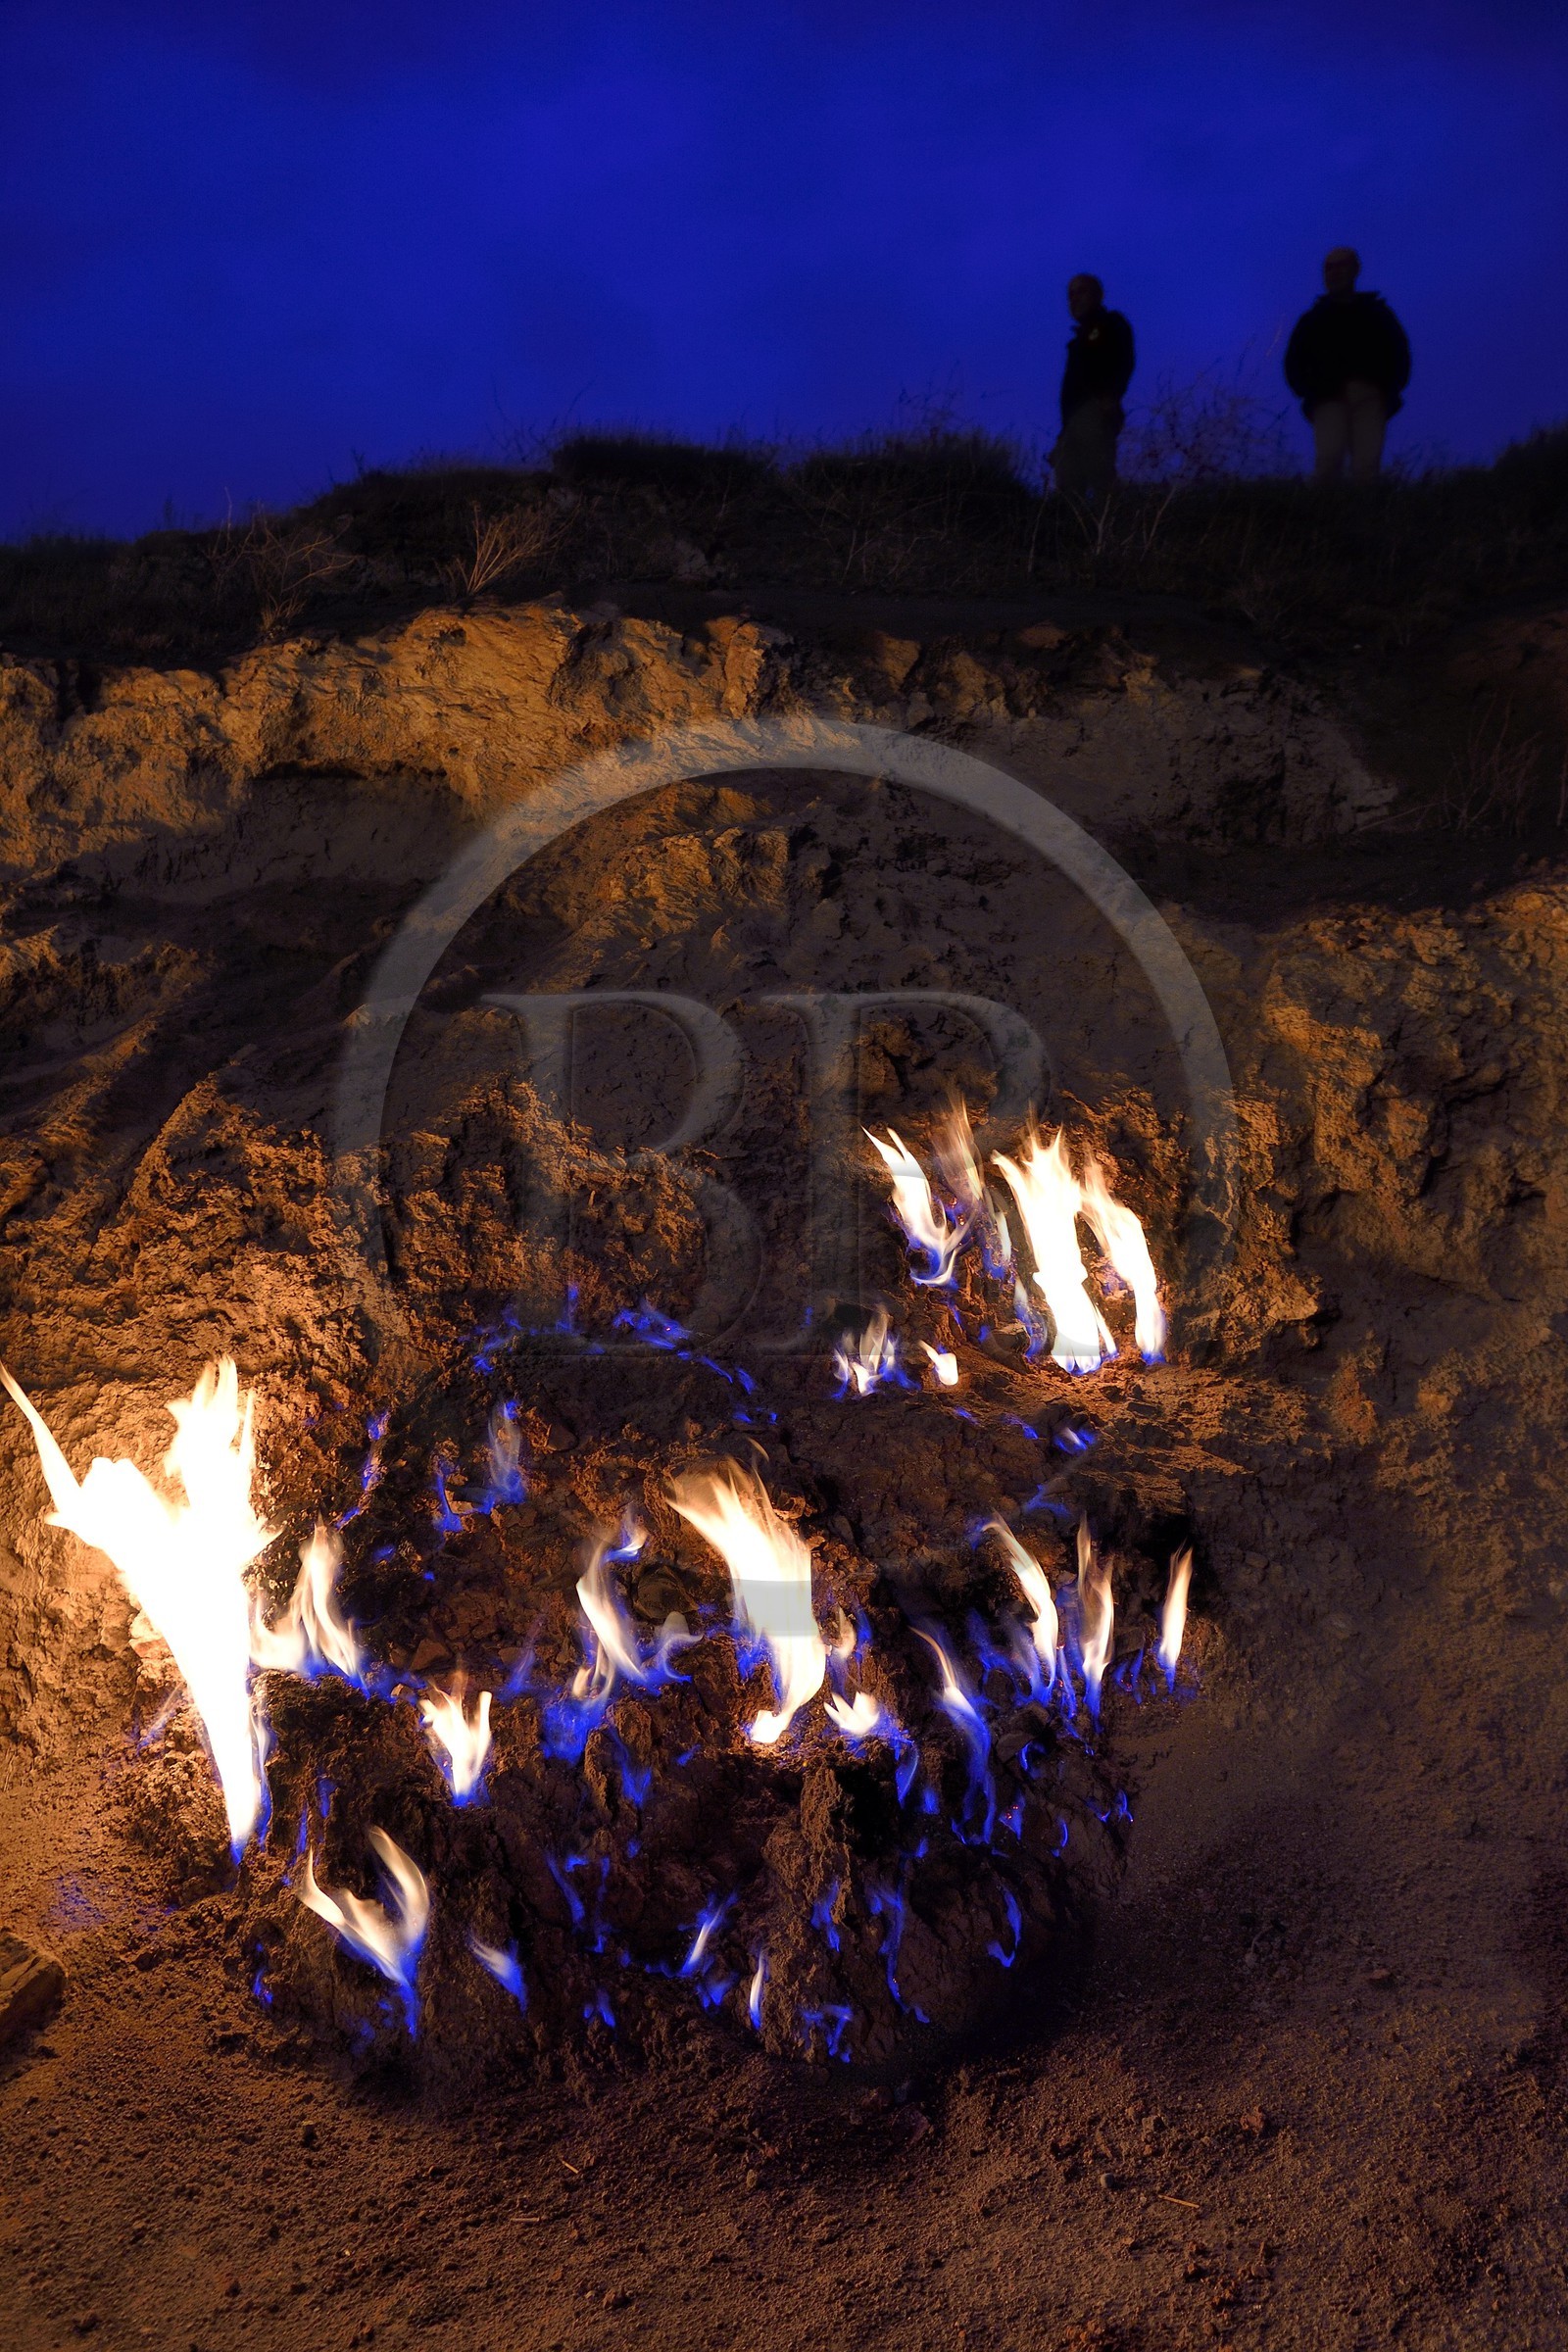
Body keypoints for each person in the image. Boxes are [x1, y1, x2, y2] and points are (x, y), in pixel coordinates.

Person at [1284, 248, 1411, 483]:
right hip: (1327, 398)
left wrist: (1389, 388)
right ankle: (1325, 516)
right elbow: (1293, 360)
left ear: (1355, 270)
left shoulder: (1377, 313)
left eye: (1341, 266)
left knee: (1367, 466)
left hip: (1371, 397)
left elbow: (1399, 351)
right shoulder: (1313, 319)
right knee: (1329, 461)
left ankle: (1361, 516)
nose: (1334, 273)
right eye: (1329, 268)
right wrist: (1308, 389)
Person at [1052, 274, 1136, 503]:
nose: (1075, 299)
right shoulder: (1077, 341)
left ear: (1098, 295)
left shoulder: (1111, 323)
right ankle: (1075, 536)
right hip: (1072, 422)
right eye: (1070, 294)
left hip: (1095, 411)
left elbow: (1125, 360)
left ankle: (1115, 532)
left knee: (1102, 481)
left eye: (1082, 291)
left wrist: (1111, 396)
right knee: (1066, 489)